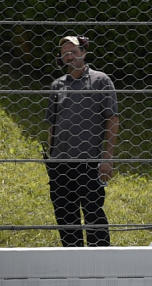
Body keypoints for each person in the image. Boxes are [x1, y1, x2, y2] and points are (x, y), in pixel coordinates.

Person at [45, 35, 119, 247]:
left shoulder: (100, 80)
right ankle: (72, 260)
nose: (69, 55)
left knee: (93, 213)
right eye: (65, 53)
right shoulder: (57, 86)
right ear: (61, 58)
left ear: (84, 53)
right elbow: (52, 125)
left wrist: (107, 158)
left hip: (89, 162)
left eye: (73, 51)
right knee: (65, 217)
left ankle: (100, 262)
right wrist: (51, 160)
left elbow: (112, 119)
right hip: (60, 164)